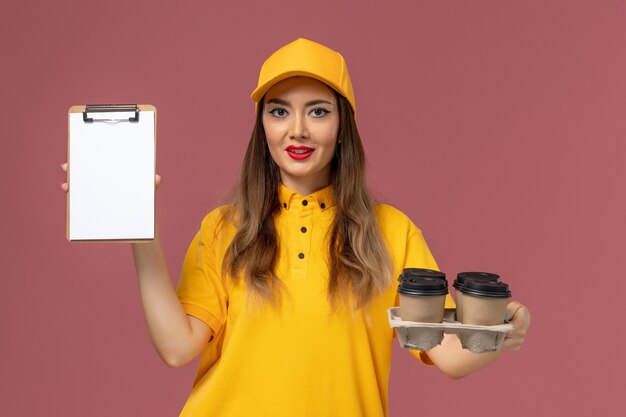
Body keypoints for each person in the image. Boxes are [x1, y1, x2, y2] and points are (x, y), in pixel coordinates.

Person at [61, 38, 531, 417]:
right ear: (262, 126)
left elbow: (448, 356)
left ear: (343, 126)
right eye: (279, 110)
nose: (297, 130)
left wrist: (499, 334)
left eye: (319, 111)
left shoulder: (393, 232)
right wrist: (143, 231)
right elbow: (176, 347)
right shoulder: (227, 227)